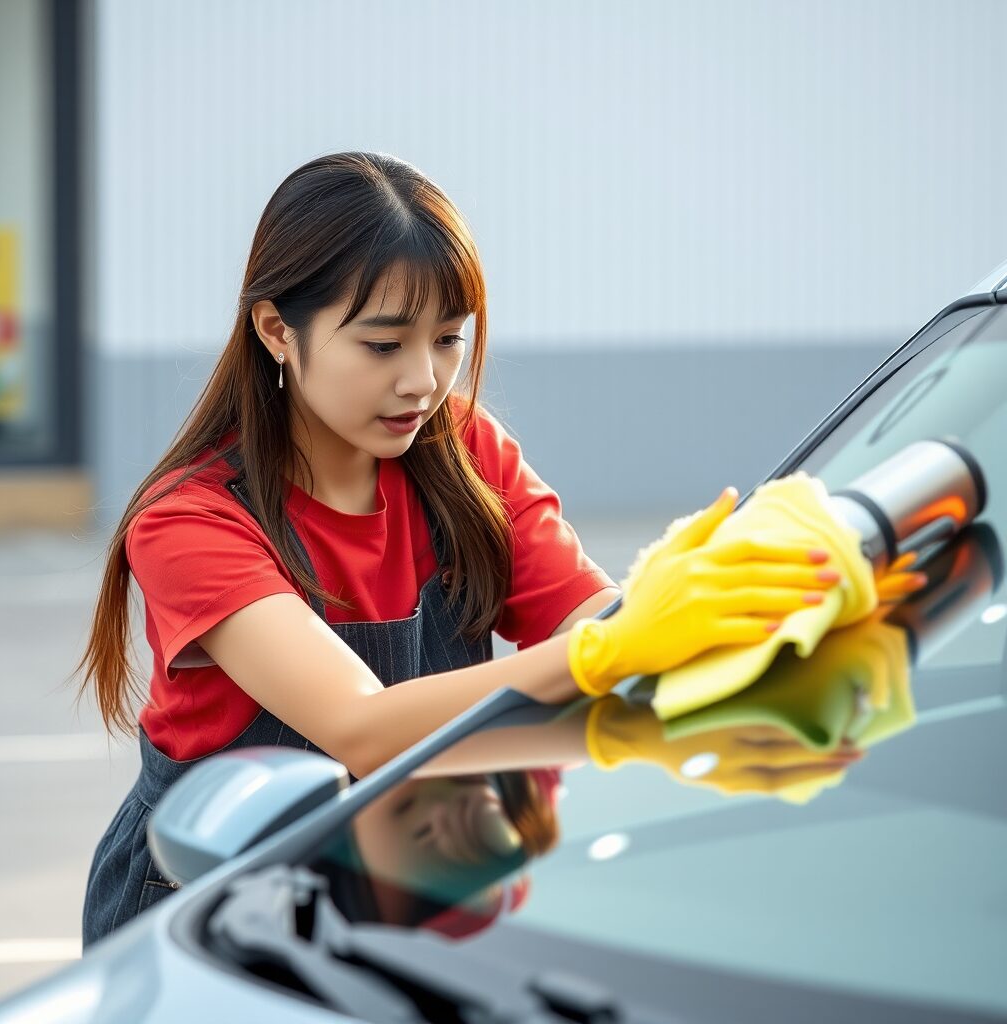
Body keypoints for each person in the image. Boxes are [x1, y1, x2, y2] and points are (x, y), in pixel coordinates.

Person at [72, 151, 841, 947]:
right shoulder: (192, 521)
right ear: (276, 331)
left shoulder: (465, 452)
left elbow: (596, 621)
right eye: (382, 346)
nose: (423, 381)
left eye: (447, 339)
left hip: (422, 881)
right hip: (211, 900)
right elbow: (362, 727)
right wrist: (612, 648)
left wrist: (721, 619)